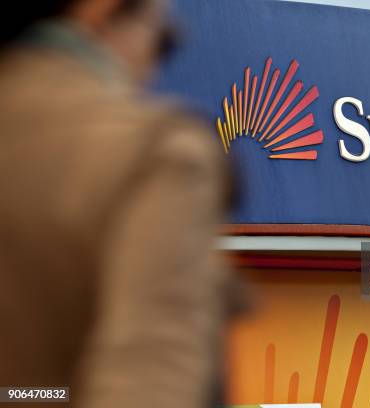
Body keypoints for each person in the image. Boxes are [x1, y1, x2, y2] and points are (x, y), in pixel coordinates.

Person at [0, 0, 236, 406]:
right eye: (164, 40)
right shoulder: (154, 152)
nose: (154, 68)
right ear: (100, 10)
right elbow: (150, 377)